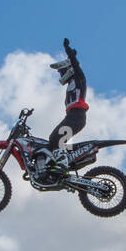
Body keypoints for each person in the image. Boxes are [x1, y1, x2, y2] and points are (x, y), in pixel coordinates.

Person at [40, 37, 88, 172]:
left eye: (62, 71)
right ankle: (54, 167)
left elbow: (76, 64)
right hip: (71, 117)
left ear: (69, 69)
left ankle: (63, 167)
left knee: (56, 138)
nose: (61, 74)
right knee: (51, 141)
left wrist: (69, 51)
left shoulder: (79, 79)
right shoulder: (70, 85)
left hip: (77, 116)